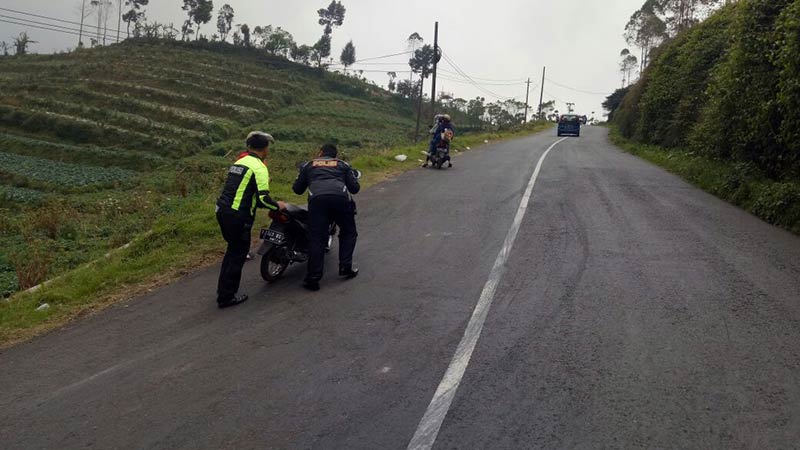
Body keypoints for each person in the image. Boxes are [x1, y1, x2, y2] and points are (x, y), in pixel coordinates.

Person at [215, 131, 286, 308]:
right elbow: (263, 198)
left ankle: (223, 290)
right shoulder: (259, 166)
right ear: (265, 149)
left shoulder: (239, 162)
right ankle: (227, 297)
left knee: (232, 251)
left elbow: (244, 191)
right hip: (238, 215)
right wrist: (278, 206)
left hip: (222, 211)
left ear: (249, 147)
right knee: (238, 253)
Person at [292, 143, 360, 292]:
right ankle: (345, 267)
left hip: (317, 201)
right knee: (349, 232)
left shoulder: (310, 165)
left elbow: (297, 189)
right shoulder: (343, 165)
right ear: (335, 155)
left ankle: (313, 278)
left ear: (320, 152)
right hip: (340, 200)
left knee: (317, 238)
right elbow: (355, 188)